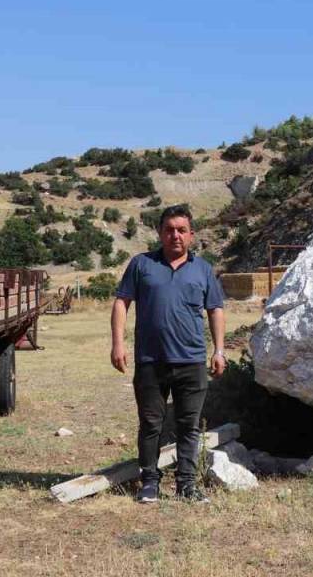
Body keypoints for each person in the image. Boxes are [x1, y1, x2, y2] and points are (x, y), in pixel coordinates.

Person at [111, 204, 226, 503]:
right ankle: (149, 481)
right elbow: (122, 302)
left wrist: (220, 350)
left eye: (181, 230)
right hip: (151, 360)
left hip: (191, 361)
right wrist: (118, 344)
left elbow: (215, 309)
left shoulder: (203, 270)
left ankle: (186, 484)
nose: (175, 235)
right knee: (151, 423)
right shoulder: (141, 264)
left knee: (189, 426)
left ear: (191, 235)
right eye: (169, 229)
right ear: (160, 233)